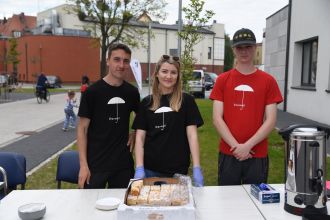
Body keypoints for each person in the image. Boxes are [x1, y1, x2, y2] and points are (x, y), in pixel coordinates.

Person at [210, 28, 283, 186]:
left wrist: (248, 146)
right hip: (229, 152)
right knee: (227, 201)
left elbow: (271, 120)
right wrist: (237, 147)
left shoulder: (268, 81)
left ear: (255, 47)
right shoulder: (222, 80)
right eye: (239, 47)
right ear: (233, 49)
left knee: (256, 203)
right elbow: (217, 118)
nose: (244, 51)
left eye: (248, 47)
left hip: (257, 153)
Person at [133, 55, 204, 187]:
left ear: (178, 76)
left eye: (173, 72)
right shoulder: (147, 103)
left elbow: (192, 135)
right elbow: (140, 138)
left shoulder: (187, 101)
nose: (169, 76)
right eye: (164, 71)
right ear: (157, 74)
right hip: (150, 170)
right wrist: (139, 167)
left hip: (178, 170)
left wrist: (196, 167)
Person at [77, 43, 140, 189]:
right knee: (90, 207)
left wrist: (135, 131)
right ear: (107, 61)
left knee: (123, 207)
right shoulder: (92, 92)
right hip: (95, 164)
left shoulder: (131, 92)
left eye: (125, 61)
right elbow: (82, 129)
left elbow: (141, 117)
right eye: (117, 60)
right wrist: (83, 165)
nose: (121, 65)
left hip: (123, 164)